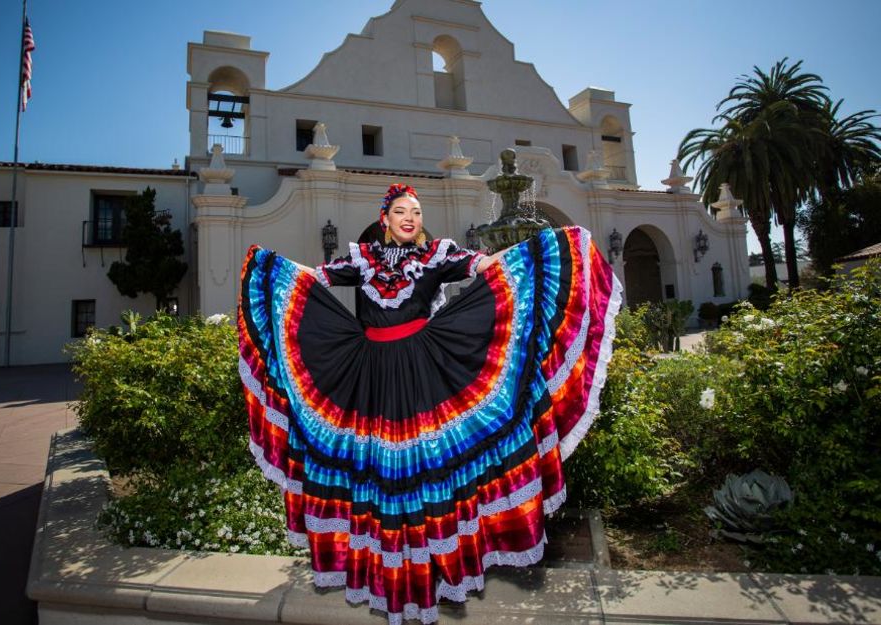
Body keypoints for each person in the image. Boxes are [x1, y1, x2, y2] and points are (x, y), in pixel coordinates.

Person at [238, 183, 622, 624]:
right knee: (380, 474)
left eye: (416, 212)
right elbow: (313, 279)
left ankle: (437, 573)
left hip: (424, 373)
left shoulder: (436, 255)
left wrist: (538, 251)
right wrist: (271, 269)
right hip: (373, 380)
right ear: (385, 218)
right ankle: (385, 574)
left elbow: (484, 265)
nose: (409, 217)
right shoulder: (361, 259)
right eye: (400, 210)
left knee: (429, 468)